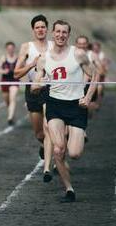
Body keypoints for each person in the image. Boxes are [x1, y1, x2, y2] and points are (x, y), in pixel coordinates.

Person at [33, 20, 97, 202]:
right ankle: (69, 189)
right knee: (59, 150)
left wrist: (88, 96)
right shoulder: (44, 57)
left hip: (76, 106)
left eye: (64, 32)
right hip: (55, 105)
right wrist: (39, 84)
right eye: (58, 32)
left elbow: (95, 75)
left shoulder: (78, 54)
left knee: (75, 153)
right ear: (53, 34)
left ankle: (75, 136)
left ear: (68, 35)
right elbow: (36, 84)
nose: (61, 35)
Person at [14, 14, 53, 182]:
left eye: (43, 27)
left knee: (49, 127)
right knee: (39, 133)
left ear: (47, 29)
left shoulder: (54, 46)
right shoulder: (26, 47)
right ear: (33, 30)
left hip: (51, 89)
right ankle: (44, 145)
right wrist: (31, 63)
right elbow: (16, 73)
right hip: (32, 89)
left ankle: (52, 163)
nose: (40, 30)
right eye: (37, 27)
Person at [0, 41, 19, 125]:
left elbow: (22, 69)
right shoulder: (3, 58)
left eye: (12, 49)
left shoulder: (18, 58)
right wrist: (3, 71)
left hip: (14, 81)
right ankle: (11, 113)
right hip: (5, 80)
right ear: (6, 49)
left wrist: (17, 72)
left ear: (14, 49)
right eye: (8, 49)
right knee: (7, 101)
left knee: (12, 98)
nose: (10, 50)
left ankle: (10, 117)